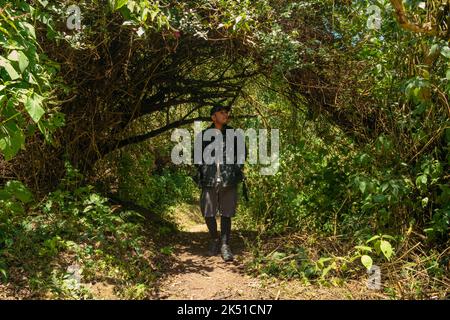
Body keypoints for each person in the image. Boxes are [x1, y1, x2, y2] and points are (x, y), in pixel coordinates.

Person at [194, 105, 246, 262]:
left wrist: (235, 170)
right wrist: (204, 170)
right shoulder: (203, 135)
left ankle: (225, 245)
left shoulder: (234, 134)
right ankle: (214, 240)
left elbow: (242, 155)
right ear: (213, 117)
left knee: (226, 213)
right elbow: (196, 157)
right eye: (221, 112)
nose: (225, 115)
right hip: (209, 179)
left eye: (226, 112)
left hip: (228, 179)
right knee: (208, 212)